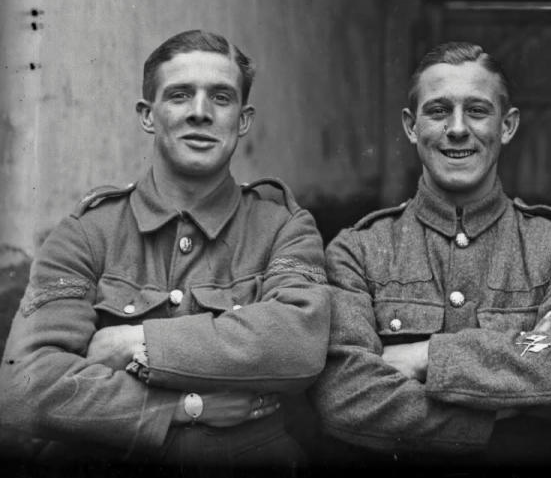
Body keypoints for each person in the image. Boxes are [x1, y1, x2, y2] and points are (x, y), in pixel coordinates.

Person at [0, 30, 331, 468]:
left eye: (221, 98)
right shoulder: (86, 233)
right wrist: (181, 409)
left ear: (244, 120)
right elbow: (26, 384)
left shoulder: (283, 228)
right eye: (179, 95)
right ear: (148, 115)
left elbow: (298, 344)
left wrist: (135, 341)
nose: (200, 113)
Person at [309, 41, 551, 466]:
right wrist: (507, 422)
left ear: (506, 126)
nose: (456, 128)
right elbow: (345, 395)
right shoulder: (359, 251)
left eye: (477, 110)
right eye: (438, 111)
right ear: (412, 127)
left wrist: (424, 357)